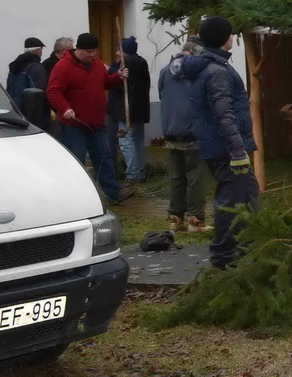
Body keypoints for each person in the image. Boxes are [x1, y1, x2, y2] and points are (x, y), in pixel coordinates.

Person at [181, 16, 258, 269]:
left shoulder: (211, 66)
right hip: (227, 149)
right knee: (232, 202)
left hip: (221, 146)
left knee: (245, 196)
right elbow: (224, 115)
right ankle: (226, 255)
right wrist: (237, 151)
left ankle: (246, 247)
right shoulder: (216, 71)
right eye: (231, 34)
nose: (233, 37)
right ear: (224, 38)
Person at [46, 32, 126, 203]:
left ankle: (113, 193)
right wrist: (65, 108)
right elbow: (53, 91)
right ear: (79, 49)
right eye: (88, 52)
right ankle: (75, 197)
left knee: (104, 158)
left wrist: (117, 77)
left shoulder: (97, 64)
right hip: (74, 125)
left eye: (94, 51)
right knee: (77, 161)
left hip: (97, 124)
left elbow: (104, 83)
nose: (92, 55)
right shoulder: (63, 66)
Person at [157, 38, 209, 233]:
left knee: (177, 177)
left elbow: (162, 96)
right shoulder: (199, 72)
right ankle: (195, 220)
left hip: (171, 130)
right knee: (196, 177)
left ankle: (176, 219)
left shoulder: (165, 71)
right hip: (194, 131)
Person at [111, 37, 151, 183]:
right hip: (140, 109)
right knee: (138, 141)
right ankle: (140, 170)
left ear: (125, 50)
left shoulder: (126, 64)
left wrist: (113, 75)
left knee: (126, 142)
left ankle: (134, 173)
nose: (117, 53)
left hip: (127, 109)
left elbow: (123, 86)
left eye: (118, 50)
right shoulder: (141, 62)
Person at [5, 37, 46, 112]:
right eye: (41, 49)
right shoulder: (35, 67)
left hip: (14, 108)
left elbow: (9, 87)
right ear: (37, 51)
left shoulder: (14, 65)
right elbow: (37, 91)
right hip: (30, 110)